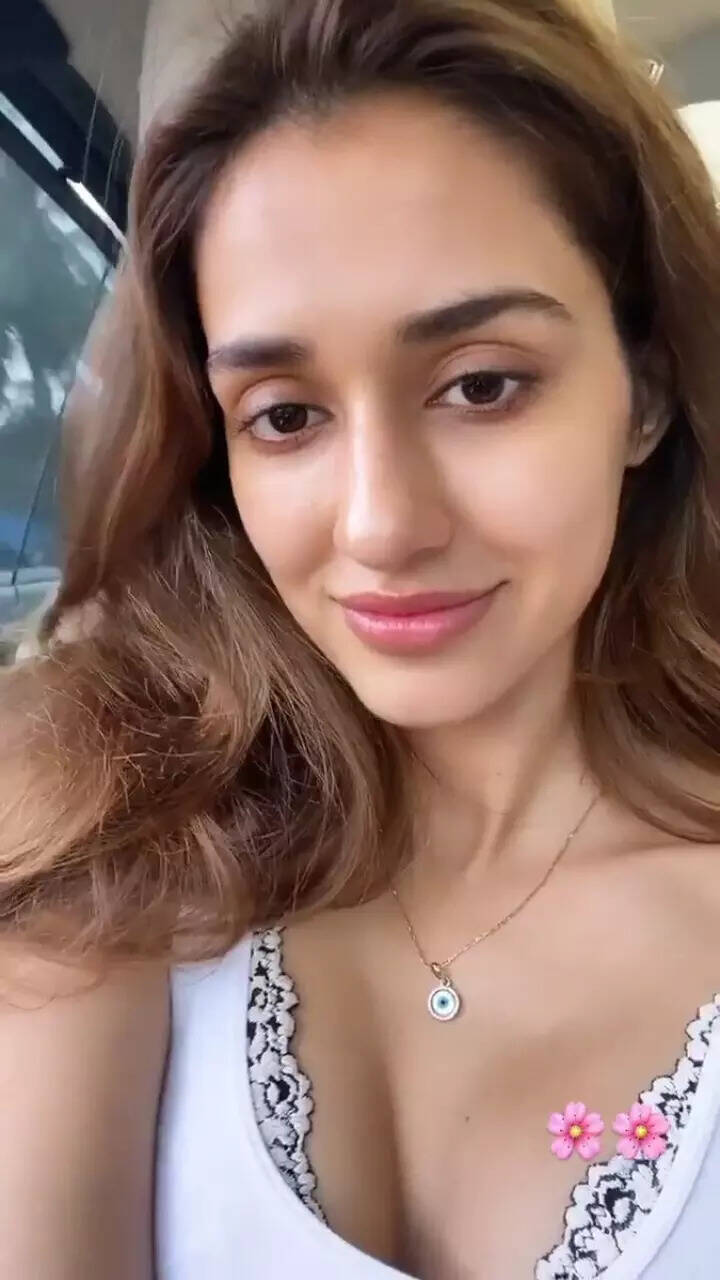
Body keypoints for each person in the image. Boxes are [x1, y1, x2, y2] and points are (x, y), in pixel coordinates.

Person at [1, 0, 720, 1276]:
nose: (381, 524)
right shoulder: (109, 824)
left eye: (482, 384)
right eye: (285, 415)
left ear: (645, 396)